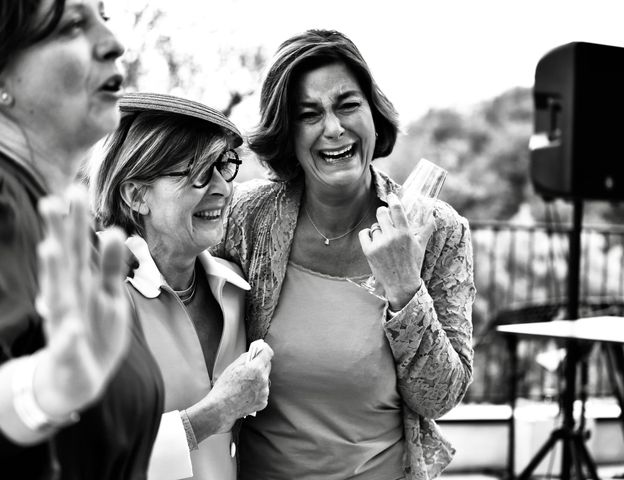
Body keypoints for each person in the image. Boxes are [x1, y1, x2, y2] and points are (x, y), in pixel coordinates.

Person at [213, 29, 475, 480]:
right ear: (287, 133)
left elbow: (441, 398)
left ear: (374, 115)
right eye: (309, 114)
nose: (333, 128)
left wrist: (404, 287)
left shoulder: (439, 229)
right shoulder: (246, 216)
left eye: (347, 104)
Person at [0, 1, 164, 479]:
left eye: (103, 17)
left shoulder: (73, 235)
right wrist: (44, 389)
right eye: (72, 24)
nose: (113, 44)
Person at [90, 92, 273, 480]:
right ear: (137, 195)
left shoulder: (237, 290)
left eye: (224, 167)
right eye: (196, 172)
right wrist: (213, 414)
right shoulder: (96, 297)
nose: (222, 188)